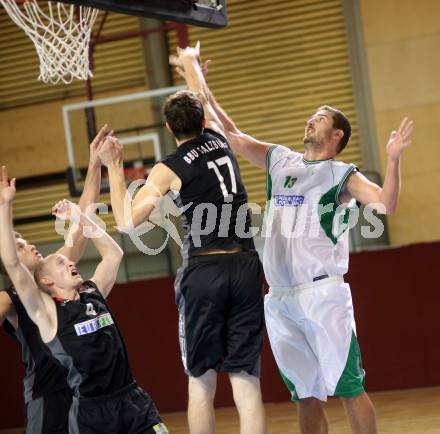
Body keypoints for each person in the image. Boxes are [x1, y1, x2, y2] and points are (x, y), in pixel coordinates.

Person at [173, 42, 414, 434]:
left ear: (336, 134)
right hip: (280, 297)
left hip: (323, 295)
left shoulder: (343, 175)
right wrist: (195, 75)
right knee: (304, 393)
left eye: (318, 118)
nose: (309, 120)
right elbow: (228, 132)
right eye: (310, 116)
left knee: (349, 386)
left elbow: (386, 204)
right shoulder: (280, 160)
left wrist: (393, 160)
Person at [98, 91, 266, 434]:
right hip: (246, 265)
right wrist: (191, 65)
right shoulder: (219, 138)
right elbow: (203, 97)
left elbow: (128, 223)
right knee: (246, 381)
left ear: (168, 127)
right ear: (203, 121)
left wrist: (114, 167)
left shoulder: (168, 168)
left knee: (201, 382)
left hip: (205, 271)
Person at [0, 168, 167, 434]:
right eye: (59, 261)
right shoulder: (47, 313)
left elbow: (113, 254)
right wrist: (5, 206)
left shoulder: (92, 291)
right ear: (47, 282)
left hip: (133, 399)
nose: (69, 261)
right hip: (92, 411)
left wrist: (81, 217)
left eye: (67, 260)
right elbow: (12, 263)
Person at [0, 126, 108, 434]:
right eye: (19, 245)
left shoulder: (54, 271)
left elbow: (83, 221)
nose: (30, 245)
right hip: (46, 397)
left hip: (78, 386)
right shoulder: (11, 298)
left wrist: (95, 162)